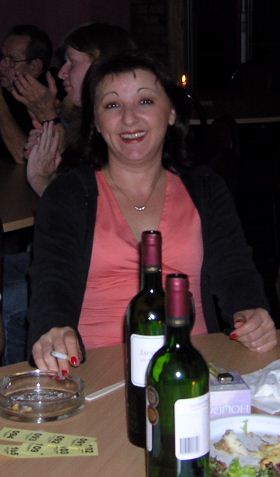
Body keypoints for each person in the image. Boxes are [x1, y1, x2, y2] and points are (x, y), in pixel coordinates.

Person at [27, 51, 277, 373]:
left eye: (145, 101)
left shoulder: (205, 189)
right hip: (94, 374)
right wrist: (54, 328)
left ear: (171, 113)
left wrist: (251, 311)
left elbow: (235, 270)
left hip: (188, 369)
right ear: (97, 124)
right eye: (112, 105)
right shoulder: (69, 193)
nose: (129, 119)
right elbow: (52, 278)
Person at [22, 22, 136, 196]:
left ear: (102, 66)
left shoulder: (123, 130)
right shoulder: (87, 122)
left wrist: (39, 178)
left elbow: (91, 214)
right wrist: (53, 160)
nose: (61, 73)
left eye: (72, 63)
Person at [0, 24, 55, 164]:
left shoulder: (49, 99)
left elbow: (25, 159)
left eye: (12, 60)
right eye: (2, 57)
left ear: (34, 67)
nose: (2, 65)